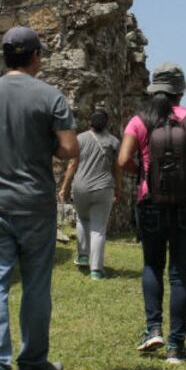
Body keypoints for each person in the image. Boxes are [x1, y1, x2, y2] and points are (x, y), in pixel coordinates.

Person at [0, 26, 79, 370]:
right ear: (36, 56)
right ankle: (33, 360)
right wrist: (50, 149)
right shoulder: (51, 96)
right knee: (36, 284)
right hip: (35, 202)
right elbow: (70, 148)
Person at [117, 63, 186, 365]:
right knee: (179, 274)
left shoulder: (140, 120)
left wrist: (147, 173)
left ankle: (153, 329)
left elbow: (124, 160)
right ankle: (177, 346)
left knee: (152, 265)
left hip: (150, 201)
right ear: (180, 91)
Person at [59, 109, 122, 280]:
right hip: (103, 187)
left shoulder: (79, 139)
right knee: (98, 229)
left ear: (90, 123)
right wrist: (118, 187)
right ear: (107, 123)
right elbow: (117, 168)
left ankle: (83, 255)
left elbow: (72, 164)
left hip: (80, 187)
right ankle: (96, 270)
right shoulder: (113, 141)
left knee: (82, 219)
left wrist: (64, 186)